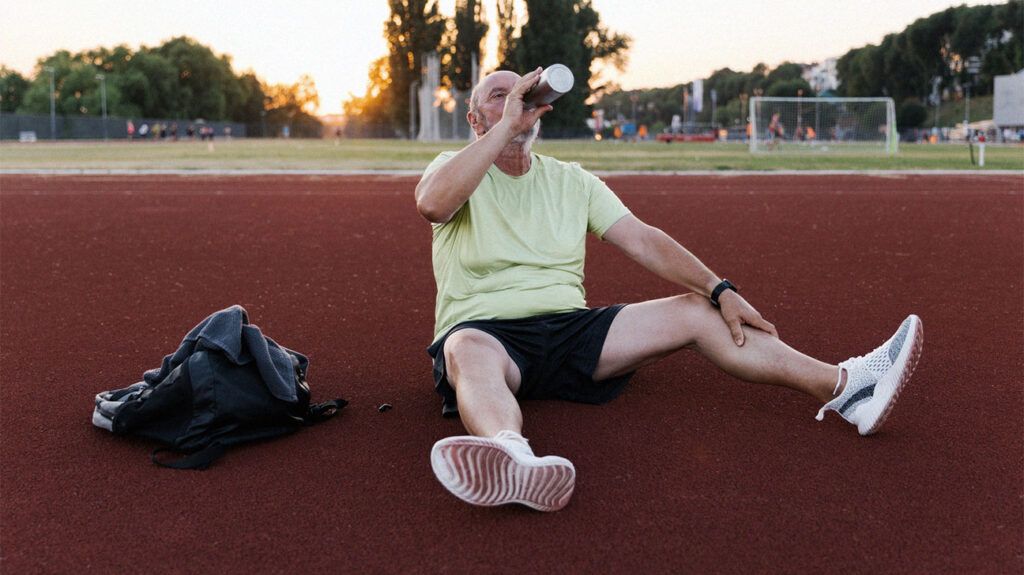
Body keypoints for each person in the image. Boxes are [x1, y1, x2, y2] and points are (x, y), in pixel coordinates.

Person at [415, 68, 923, 513]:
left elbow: (642, 239)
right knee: (466, 348)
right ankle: (513, 455)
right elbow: (434, 205)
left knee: (699, 312)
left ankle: (848, 388)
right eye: (497, 96)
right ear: (475, 121)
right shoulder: (450, 168)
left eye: (519, 93)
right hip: (486, 333)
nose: (514, 101)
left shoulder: (572, 180)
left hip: (569, 330)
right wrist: (504, 127)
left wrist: (718, 288)